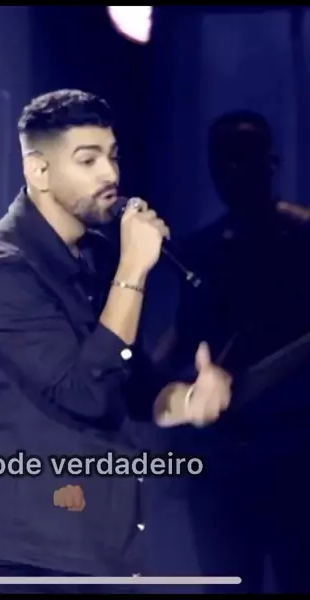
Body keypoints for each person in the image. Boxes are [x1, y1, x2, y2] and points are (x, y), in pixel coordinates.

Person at [0, 89, 232, 595]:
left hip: (105, 547)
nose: (110, 174)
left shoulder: (96, 257)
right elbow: (84, 392)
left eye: (112, 156)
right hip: (35, 558)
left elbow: (130, 385)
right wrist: (133, 269)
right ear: (38, 171)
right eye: (88, 160)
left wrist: (189, 401)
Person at [154, 109, 310, 593]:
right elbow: (184, 339)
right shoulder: (200, 251)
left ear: (271, 163)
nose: (233, 171)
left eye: (245, 157)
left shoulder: (305, 238)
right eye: (223, 160)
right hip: (222, 462)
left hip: (296, 458)